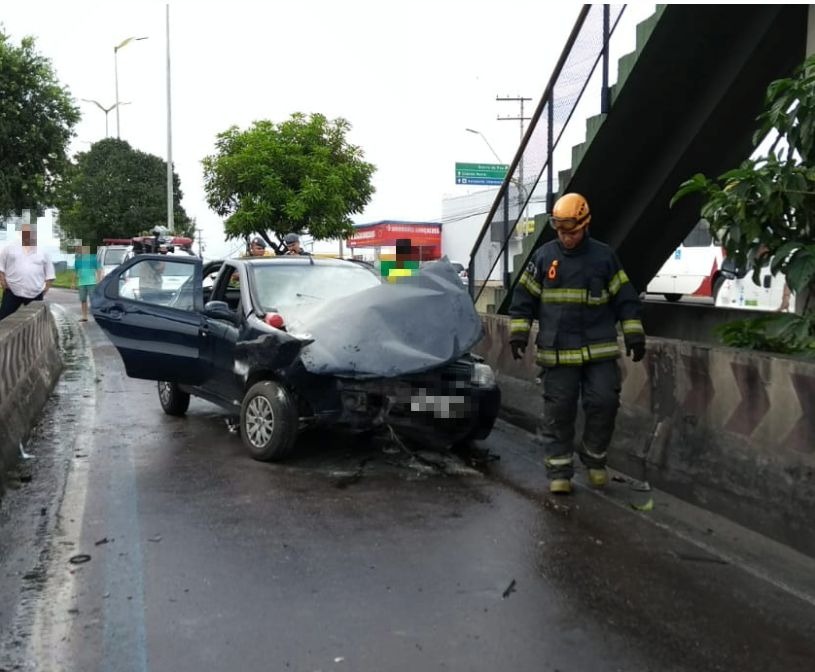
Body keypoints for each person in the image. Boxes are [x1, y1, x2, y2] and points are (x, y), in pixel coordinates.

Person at [508, 193, 646, 495]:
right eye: (560, 231)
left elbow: (625, 297)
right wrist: (518, 332)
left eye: (571, 231)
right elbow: (523, 299)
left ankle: (595, 459)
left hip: (599, 351)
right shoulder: (544, 257)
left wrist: (634, 332)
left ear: (585, 225)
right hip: (557, 355)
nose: (565, 237)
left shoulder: (604, 257)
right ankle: (559, 470)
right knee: (559, 411)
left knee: (604, 402)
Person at [0, 222, 56, 321]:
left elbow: (50, 275)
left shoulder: (43, 251)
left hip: (35, 293)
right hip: (12, 291)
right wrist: (4, 284)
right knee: (4, 319)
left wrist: (43, 291)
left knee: (36, 322)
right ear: (20, 233)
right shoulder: (9, 248)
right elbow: (1, 268)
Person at [72, 244, 101, 322]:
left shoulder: (93, 258)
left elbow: (99, 269)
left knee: (93, 300)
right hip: (81, 283)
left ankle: (97, 315)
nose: (79, 251)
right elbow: (75, 271)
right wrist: (73, 283)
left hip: (92, 282)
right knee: (83, 300)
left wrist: (99, 279)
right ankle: (84, 316)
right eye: (78, 250)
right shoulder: (77, 260)